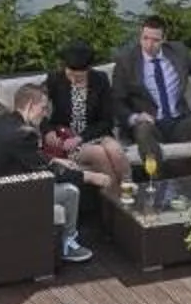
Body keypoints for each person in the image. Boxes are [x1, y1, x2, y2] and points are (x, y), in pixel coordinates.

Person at [0, 82, 94, 264]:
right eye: (43, 108)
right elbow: (48, 173)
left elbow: (30, 158)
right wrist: (90, 176)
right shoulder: (24, 134)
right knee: (70, 192)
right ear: (30, 105)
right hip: (2, 197)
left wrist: (55, 160)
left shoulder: (3, 122)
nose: (45, 113)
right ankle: (67, 245)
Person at [112, 13, 191, 187]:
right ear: (140, 36)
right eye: (145, 38)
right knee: (143, 130)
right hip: (150, 124)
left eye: (155, 40)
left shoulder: (178, 52)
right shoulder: (126, 61)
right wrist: (135, 117)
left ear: (164, 40)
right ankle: (160, 185)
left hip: (178, 121)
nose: (149, 45)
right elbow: (117, 100)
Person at [37, 41, 130, 192]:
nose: (73, 81)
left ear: (88, 70)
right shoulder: (54, 79)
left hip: (94, 133)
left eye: (79, 78)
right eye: (70, 75)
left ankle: (128, 192)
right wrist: (48, 131)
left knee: (116, 152)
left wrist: (81, 138)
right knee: (99, 154)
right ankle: (117, 201)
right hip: (67, 138)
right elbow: (37, 110)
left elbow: (107, 121)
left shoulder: (100, 80)